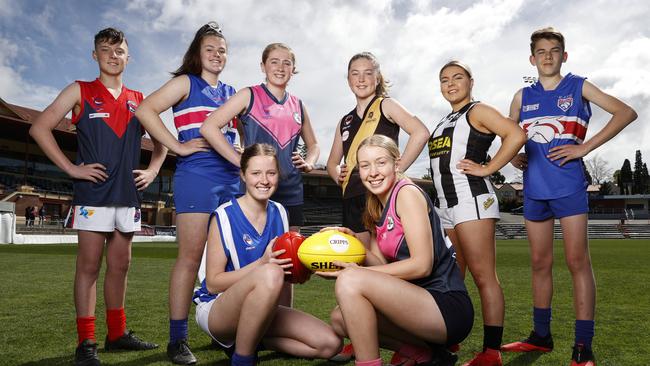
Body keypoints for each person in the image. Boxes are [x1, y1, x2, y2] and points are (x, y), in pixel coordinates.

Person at [501, 27, 637, 366]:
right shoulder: (521, 96)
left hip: (568, 187)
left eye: (555, 50)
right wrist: (515, 154)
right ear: (532, 59)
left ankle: (582, 346)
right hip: (534, 190)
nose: (548, 56)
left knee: (577, 263)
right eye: (542, 51)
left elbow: (626, 112)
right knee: (539, 264)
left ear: (565, 55)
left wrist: (585, 147)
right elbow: (510, 136)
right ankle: (541, 336)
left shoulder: (579, 85)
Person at [29, 27, 165, 366]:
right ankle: (86, 342)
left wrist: (152, 171)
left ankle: (116, 334)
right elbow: (39, 127)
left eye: (119, 50)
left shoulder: (139, 98)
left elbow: (163, 141)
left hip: (128, 196)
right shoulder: (80, 90)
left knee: (121, 266)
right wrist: (72, 169)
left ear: (128, 57)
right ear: (95, 55)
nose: (113, 55)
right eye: (106, 50)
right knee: (89, 267)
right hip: (93, 195)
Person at [135, 22, 240, 364]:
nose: (216, 55)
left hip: (233, 180)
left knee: (229, 261)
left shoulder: (232, 92)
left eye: (222, 50)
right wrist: (177, 147)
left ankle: (223, 331)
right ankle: (177, 340)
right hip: (197, 176)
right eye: (210, 49)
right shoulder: (185, 83)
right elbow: (145, 110)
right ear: (197, 53)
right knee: (190, 258)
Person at [319, 135, 473, 366]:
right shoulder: (376, 204)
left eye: (381, 162)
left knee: (350, 280)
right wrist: (354, 244)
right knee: (340, 319)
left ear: (397, 164)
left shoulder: (406, 194)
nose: (373, 172)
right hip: (415, 303)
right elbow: (384, 269)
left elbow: (422, 265)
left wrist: (357, 273)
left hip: (446, 306)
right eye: (365, 165)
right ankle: (428, 355)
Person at [193, 143, 341, 366]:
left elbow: (286, 270)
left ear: (278, 175)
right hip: (218, 307)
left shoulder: (280, 212)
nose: (264, 180)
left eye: (271, 173)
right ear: (243, 175)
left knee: (330, 344)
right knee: (270, 271)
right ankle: (243, 358)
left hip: (262, 305)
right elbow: (213, 284)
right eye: (255, 173)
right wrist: (261, 264)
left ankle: (253, 339)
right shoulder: (223, 216)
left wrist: (305, 267)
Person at [325, 51, 429, 363]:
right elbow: (332, 162)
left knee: (378, 268)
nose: (361, 78)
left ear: (377, 77)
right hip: (350, 198)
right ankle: (362, 335)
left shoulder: (386, 105)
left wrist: (397, 170)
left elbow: (420, 132)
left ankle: (398, 338)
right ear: (347, 80)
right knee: (356, 265)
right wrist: (337, 173)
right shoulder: (344, 121)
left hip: (377, 197)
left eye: (368, 72)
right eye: (355, 73)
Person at [428, 61, 526, 366]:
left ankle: (491, 352)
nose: (451, 84)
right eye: (445, 80)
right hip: (446, 206)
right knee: (451, 276)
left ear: (471, 81)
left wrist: (489, 168)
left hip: (473, 201)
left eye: (458, 77)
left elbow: (516, 135)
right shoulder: (445, 119)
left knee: (484, 277)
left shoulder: (478, 110)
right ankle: (449, 339)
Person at [200, 42, 319, 233]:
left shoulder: (298, 105)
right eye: (274, 62)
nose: (280, 68)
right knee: (252, 253)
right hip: (254, 188)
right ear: (263, 66)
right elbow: (209, 127)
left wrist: (310, 163)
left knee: (289, 254)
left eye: (286, 63)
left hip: (291, 189)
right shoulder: (249, 95)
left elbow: (313, 144)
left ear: (293, 69)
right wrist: (240, 161)